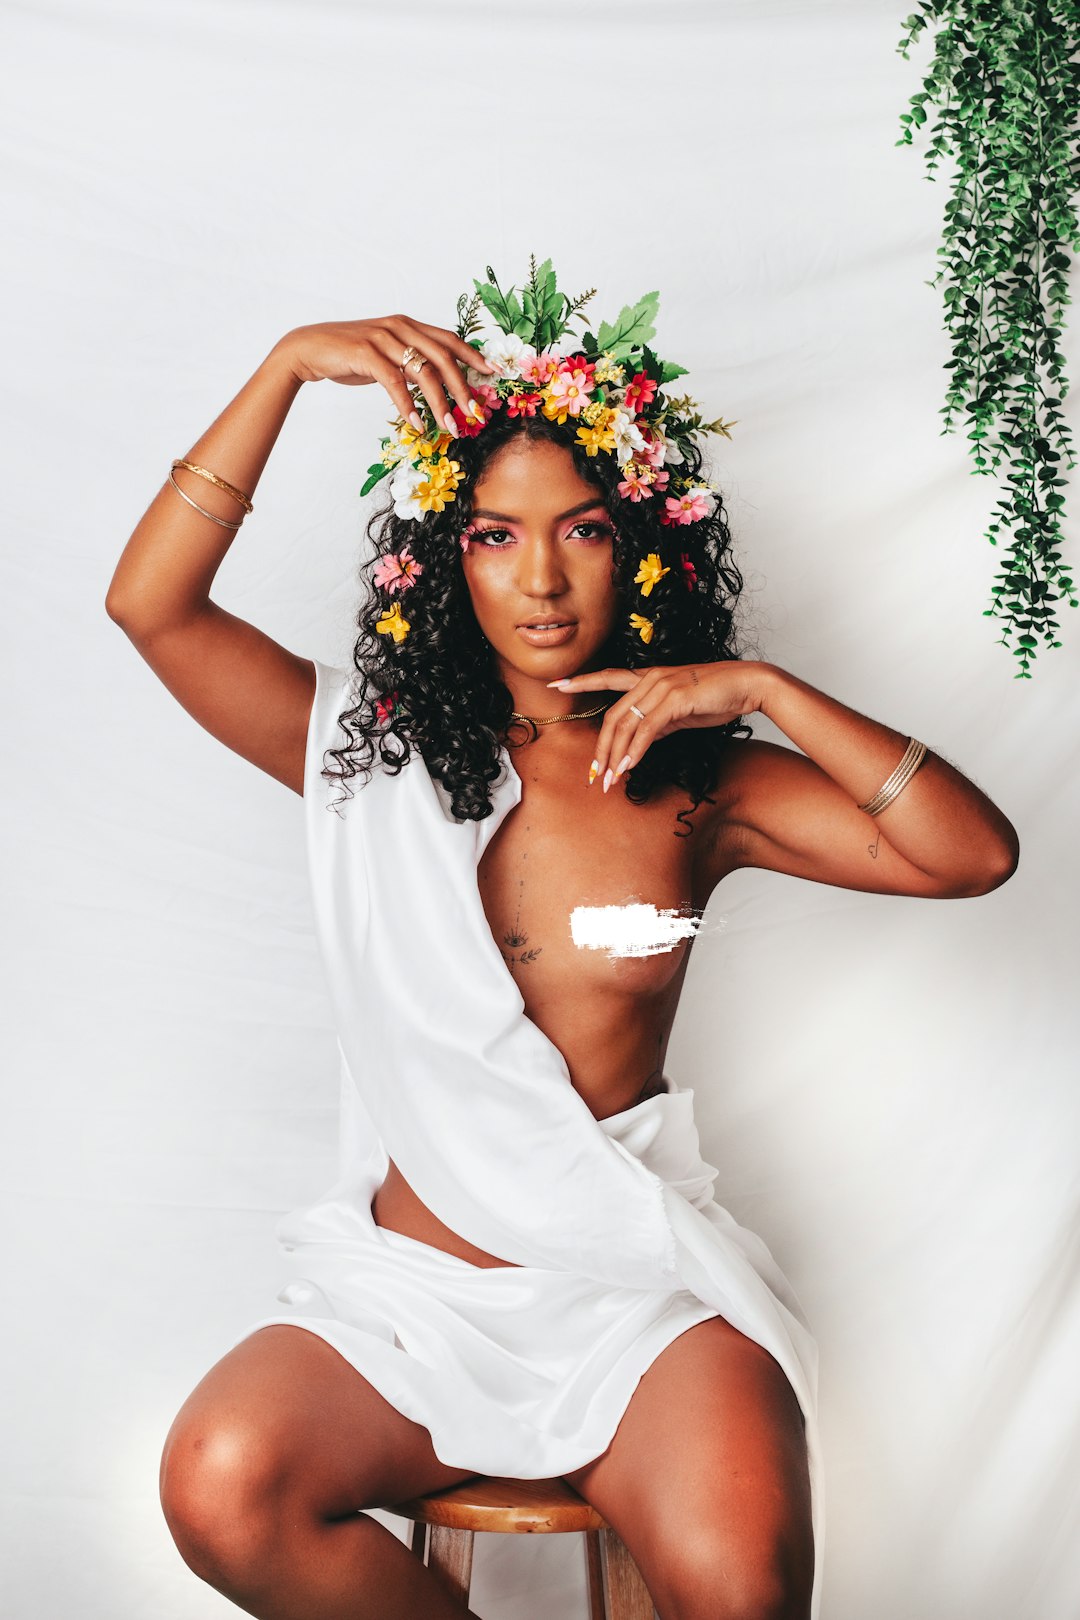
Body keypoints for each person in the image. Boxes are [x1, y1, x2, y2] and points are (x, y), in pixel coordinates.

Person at [105, 273, 1020, 1620]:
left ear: (644, 542)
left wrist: (765, 689)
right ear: (440, 556)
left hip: (632, 1295)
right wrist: (291, 366)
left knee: (741, 1582)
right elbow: (152, 608)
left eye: (582, 530)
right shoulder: (373, 761)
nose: (539, 578)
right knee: (221, 1481)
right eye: (492, 536)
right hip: (411, 1304)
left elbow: (972, 855)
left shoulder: (698, 784)